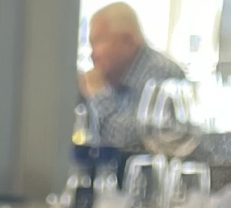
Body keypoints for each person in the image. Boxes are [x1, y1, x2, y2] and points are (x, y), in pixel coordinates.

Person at [79, 4, 184, 155]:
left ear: (128, 40)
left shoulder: (161, 74)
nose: (92, 54)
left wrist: (99, 94)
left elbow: (131, 143)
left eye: (99, 41)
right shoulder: (112, 75)